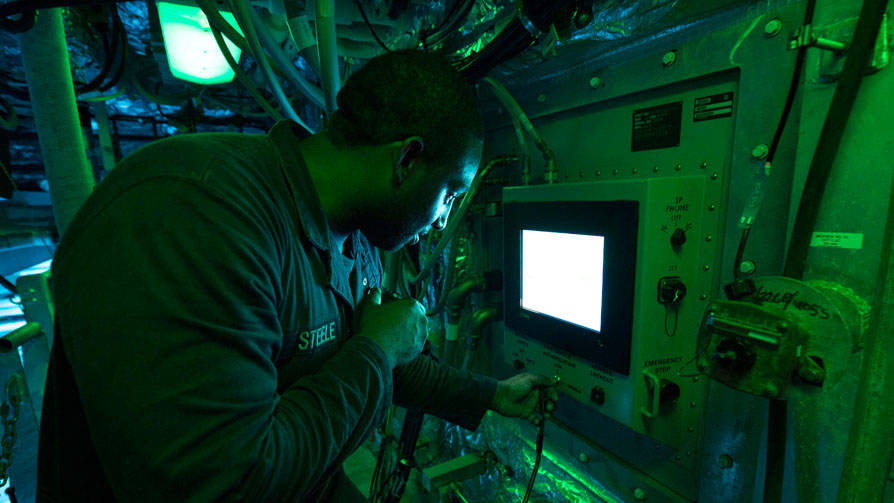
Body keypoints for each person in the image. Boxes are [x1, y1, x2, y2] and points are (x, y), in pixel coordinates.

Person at [37, 50, 556, 502]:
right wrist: (376, 350)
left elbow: (379, 353)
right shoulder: (197, 213)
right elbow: (225, 485)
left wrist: (489, 394)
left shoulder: (352, 235)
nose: (442, 220)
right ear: (406, 160)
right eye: (448, 194)